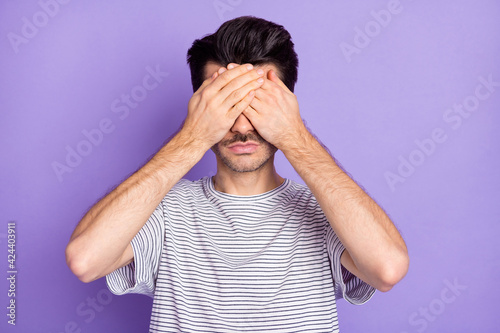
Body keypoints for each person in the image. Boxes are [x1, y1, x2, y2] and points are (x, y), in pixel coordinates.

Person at [66, 16, 409, 332]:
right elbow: (85, 260)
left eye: (257, 105)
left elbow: (387, 268)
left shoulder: (325, 211)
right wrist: (193, 137)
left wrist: (295, 137)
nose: (243, 127)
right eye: (227, 106)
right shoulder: (166, 211)